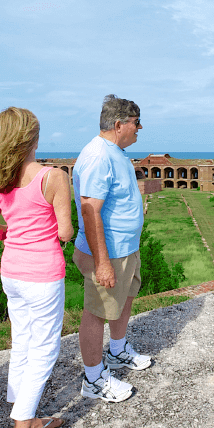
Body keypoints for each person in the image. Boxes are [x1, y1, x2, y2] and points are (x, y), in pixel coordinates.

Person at [0, 107, 73, 428]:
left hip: (12, 271)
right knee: (43, 352)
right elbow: (65, 232)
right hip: (43, 274)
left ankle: (28, 417)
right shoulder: (53, 177)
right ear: (32, 139)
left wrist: (14, 238)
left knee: (22, 342)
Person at [73, 94, 151, 403]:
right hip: (108, 252)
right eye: (136, 123)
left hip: (126, 248)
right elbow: (90, 210)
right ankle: (93, 379)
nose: (139, 128)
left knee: (125, 298)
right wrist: (102, 262)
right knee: (96, 312)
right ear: (119, 125)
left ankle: (117, 351)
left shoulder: (115, 151)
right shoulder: (98, 155)